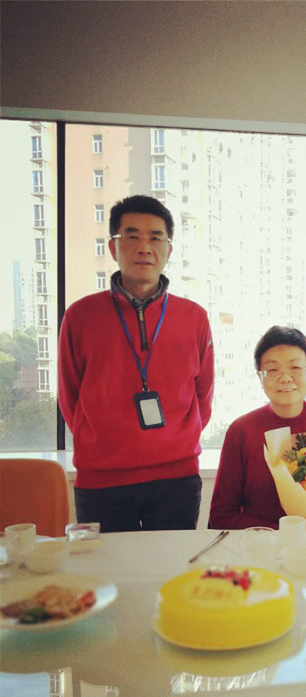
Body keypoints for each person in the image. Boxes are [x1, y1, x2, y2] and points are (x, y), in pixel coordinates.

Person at [58, 195, 214, 532]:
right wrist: (97, 442)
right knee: (108, 567)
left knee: (172, 565)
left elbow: (203, 394)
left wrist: (176, 440)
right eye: (132, 236)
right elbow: (69, 397)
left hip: (176, 479)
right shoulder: (80, 316)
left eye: (156, 237)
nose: (144, 247)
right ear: (113, 248)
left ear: (169, 249)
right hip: (102, 481)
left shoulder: (194, 317)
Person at [209, 326, 306, 530]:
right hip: (259, 543)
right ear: (260, 376)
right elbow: (221, 515)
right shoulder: (242, 431)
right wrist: (284, 533)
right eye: (272, 370)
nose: (285, 378)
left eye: (295, 367)